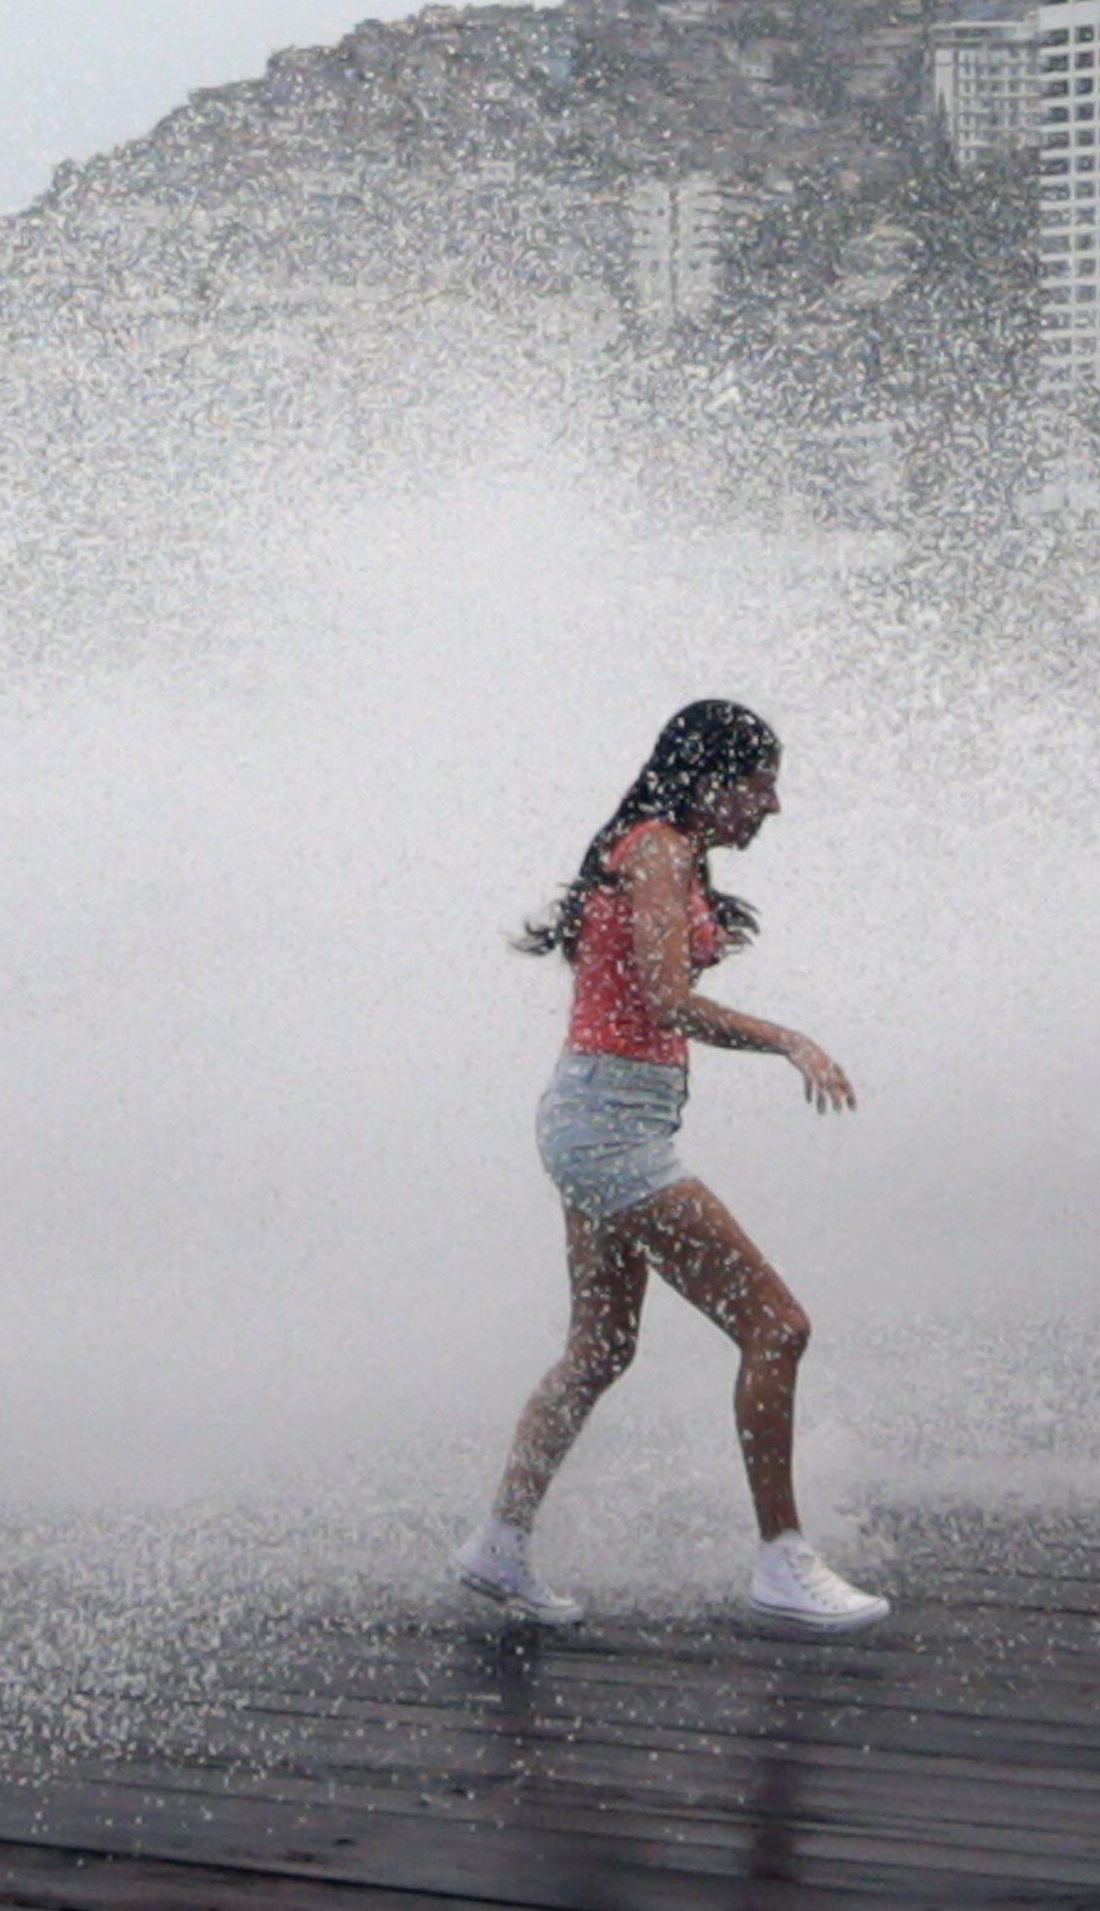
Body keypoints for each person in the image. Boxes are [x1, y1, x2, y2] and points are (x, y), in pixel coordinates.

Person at [447, 700, 888, 1635]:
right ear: (711, 779)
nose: (771, 805)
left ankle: (498, 1542)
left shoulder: (660, 851)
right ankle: (782, 1559)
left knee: (599, 1348)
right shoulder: (656, 849)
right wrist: (789, 1040)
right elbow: (664, 998)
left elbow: (643, 991)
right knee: (778, 1325)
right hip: (609, 1129)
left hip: (595, 1118)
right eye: (759, 783)